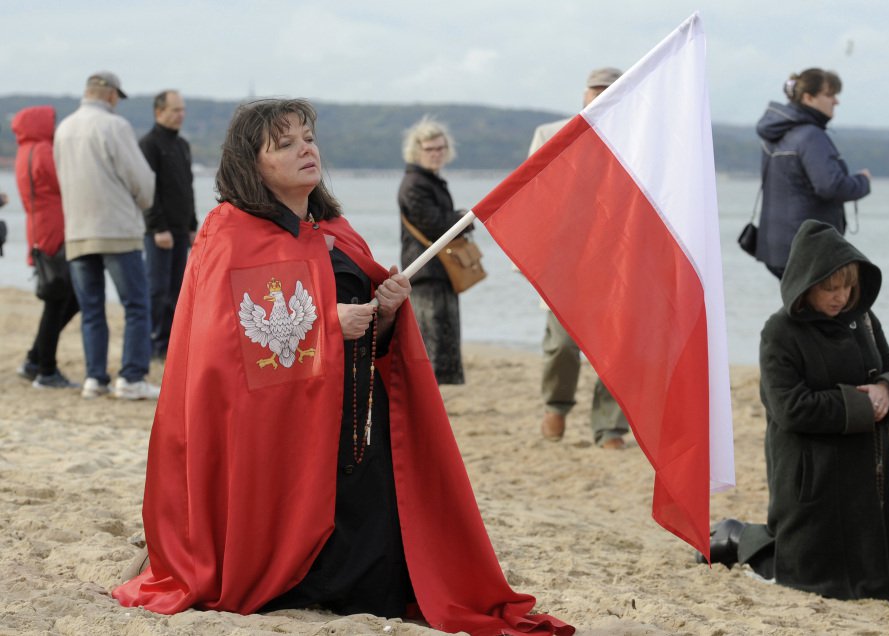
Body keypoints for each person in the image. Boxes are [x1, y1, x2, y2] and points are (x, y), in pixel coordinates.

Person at [112, 99, 571, 635]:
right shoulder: (226, 232)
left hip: (355, 434)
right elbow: (221, 342)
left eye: (307, 137)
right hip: (279, 444)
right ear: (251, 163)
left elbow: (372, 338)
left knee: (378, 586)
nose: (306, 148)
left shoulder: (335, 230)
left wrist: (389, 310)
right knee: (292, 579)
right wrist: (326, 323)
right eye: (284, 143)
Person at [698, 220, 889, 602]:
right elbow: (791, 408)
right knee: (806, 577)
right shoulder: (779, 331)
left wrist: (887, 390)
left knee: (871, 588)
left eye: (848, 286)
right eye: (830, 288)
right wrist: (863, 405)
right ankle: (735, 536)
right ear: (805, 282)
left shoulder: (863, 319)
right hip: (809, 471)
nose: (840, 297)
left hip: (866, 471)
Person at [528, 67, 630, 450]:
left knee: (618, 347)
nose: (602, 97)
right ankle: (556, 405)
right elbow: (531, 198)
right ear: (584, 95)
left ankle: (610, 427)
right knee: (562, 345)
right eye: (597, 91)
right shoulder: (550, 135)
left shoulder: (636, 141)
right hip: (564, 263)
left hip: (618, 260)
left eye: (611, 91)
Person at [53, 71, 158, 400]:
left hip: (78, 230)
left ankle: (94, 378)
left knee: (92, 309)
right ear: (111, 95)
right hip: (115, 228)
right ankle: (131, 377)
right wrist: (144, 203)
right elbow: (140, 178)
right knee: (137, 305)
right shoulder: (115, 127)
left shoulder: (64, 128)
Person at [755, 68, 872, 279]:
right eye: (829, 95)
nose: (836, 101)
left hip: (775, 248)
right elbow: (830, 186)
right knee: (834, 307)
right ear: (808, 97)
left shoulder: (776, 134)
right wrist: (862, 181)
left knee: (799, 310)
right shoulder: (811, 136)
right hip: (808, 251)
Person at [11, 105, 81, 389]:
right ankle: (45, 369)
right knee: (59, 301)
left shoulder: (25, 151)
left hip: (41, 230)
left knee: (64, 298)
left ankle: (35, 358)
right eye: (51, 122)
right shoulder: (41, 151)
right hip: (54, 231)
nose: (55, 127)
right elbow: (67, 183)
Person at [398, 116, 469, 384]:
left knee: (441, 344)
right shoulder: (415, 184)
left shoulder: (430, 181)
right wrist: (464, 218)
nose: (436, 154)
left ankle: (434, 397)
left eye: (440, 148)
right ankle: (428, 398)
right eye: (430, 149)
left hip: (439, 271)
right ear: (417, 151)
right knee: (431, 346)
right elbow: (434, 225)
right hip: (425, 273)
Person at [139, 90, 198, 361]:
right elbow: (147, 191)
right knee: (157, 289)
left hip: (180, 229)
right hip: (158, 232)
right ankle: (152, 344)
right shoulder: (149, 144)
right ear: (159, 112)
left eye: (182, 109)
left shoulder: (182, 145)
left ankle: (169, 345)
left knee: (177, 289)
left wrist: (192, 224)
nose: (180, 115)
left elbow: (187, 188)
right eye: (175, 110)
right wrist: (157, 227)